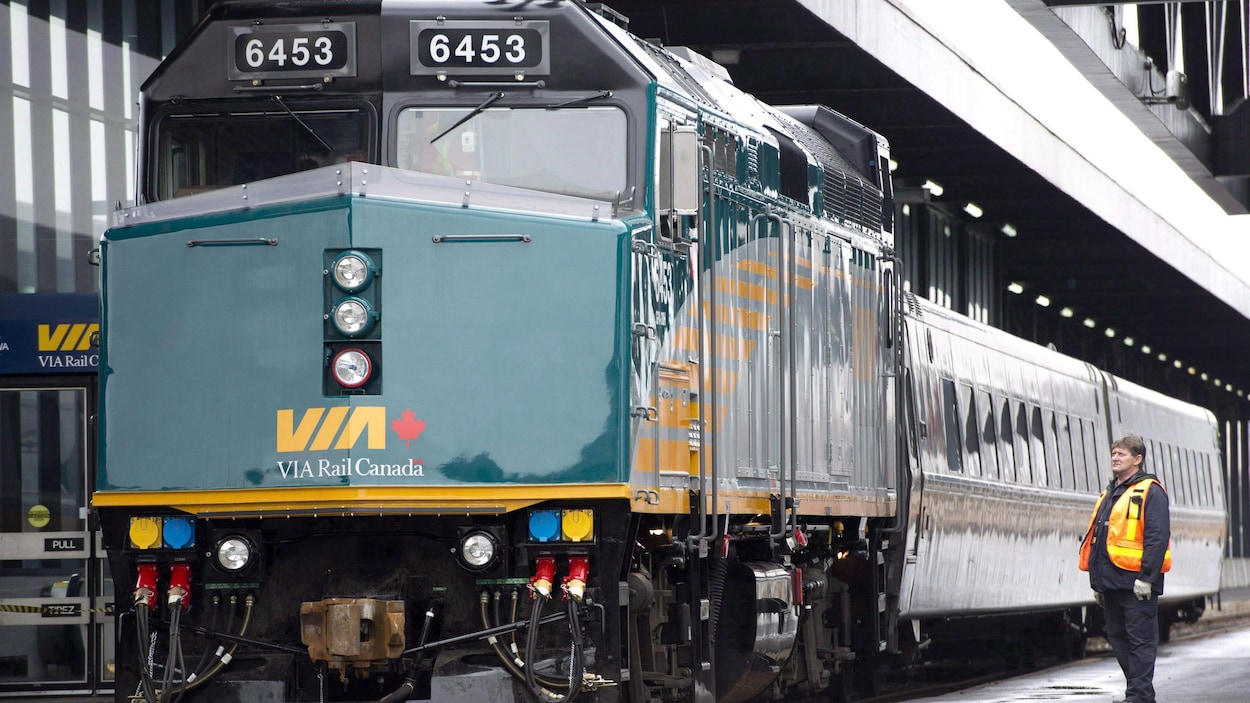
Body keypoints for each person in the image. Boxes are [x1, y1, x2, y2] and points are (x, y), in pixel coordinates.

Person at [1079, 435, 1171, 703]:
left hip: (1136, 585)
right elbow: (1100, 538)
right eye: (1113, 454)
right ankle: (1140, 694)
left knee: (1140, 642)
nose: (1115, 458)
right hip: (1111, 585)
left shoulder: (1150, 491)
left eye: (1121, 454)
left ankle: (1138, 697)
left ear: (1138, 459)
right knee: (1119, 641)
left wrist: (1147, 579)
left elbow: (1157, 537)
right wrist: (1097, 584)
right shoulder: (1111, 493)